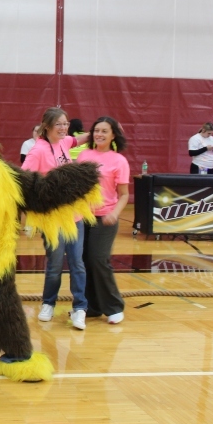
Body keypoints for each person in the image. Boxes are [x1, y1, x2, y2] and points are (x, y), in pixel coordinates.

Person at [22, 107, 90, 330]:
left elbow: (75, 140)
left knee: (77, 263)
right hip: (53, 219)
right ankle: (48, 303)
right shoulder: (38, 150)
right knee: (54, 265)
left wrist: (96, 130)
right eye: (59, 124)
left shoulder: (63, 141)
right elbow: (24, 178)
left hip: (75, 216)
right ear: (47, 127)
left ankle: (80, 308)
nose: (63, 128)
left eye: (66, 123)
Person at [78, 117, 129, 325]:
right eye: (96, 130)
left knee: (99, 259)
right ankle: (92, 306)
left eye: (104, 131)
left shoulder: (119, 161)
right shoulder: (83, 155)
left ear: (113, 135)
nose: (99, 134)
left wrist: (115, 213)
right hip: (83, 217)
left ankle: (114, 306)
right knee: (84, 261)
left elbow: (124, 194)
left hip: (105, 218)